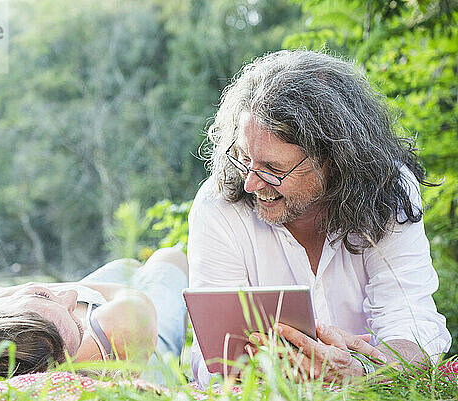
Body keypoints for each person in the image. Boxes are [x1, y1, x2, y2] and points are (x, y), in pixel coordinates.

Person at [188, 49, 451, 387]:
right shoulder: (218, 204)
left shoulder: (389, 191)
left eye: (273, 169)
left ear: (336, 161)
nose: (251, 183)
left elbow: (414, 327)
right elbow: (210, 358)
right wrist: (266, 373)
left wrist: (362, 374)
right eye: (243, 157)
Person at [0, 247, 188, 392]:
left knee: (124, 265)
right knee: (167, 259)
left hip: (90, 316)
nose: (67, 295)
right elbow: (128, 293)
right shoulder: (124, 324)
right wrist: (37, 289)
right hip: (140, 341)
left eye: (42, 295)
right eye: (77, 330)